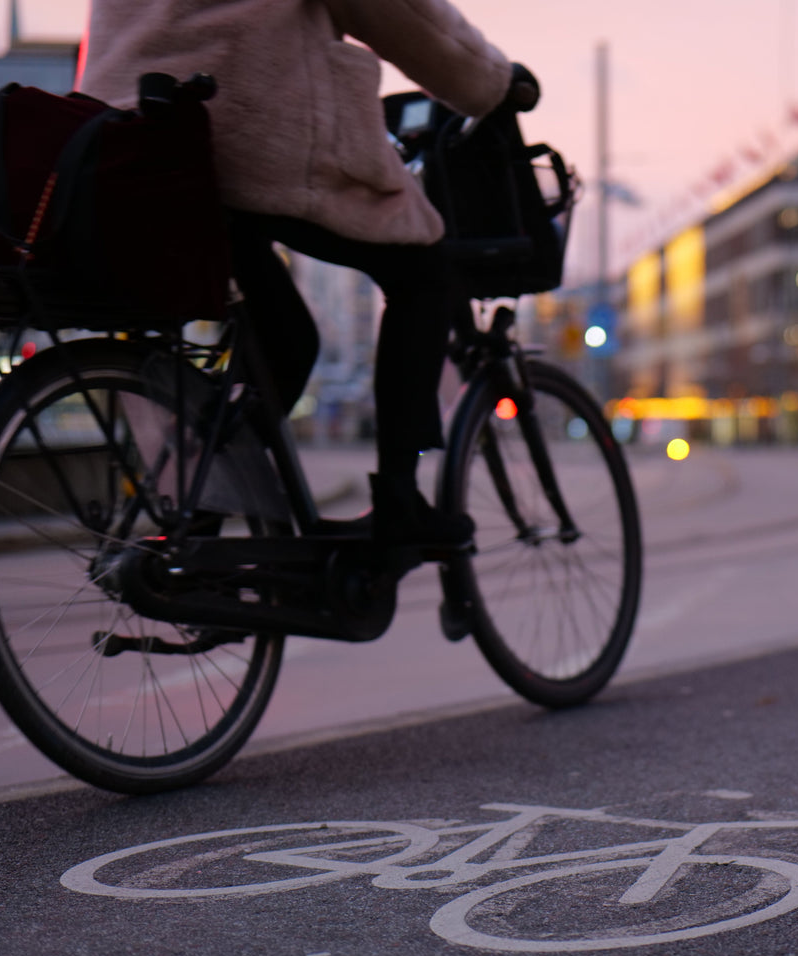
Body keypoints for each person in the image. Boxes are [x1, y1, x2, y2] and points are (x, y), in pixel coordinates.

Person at [80, 0, 535, 547]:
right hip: (239, 121)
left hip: (124, 136)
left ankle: (196, 521)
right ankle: (399, 503)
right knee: (421, 268)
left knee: (287, 341)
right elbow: (401, 14)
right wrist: (490, 81)